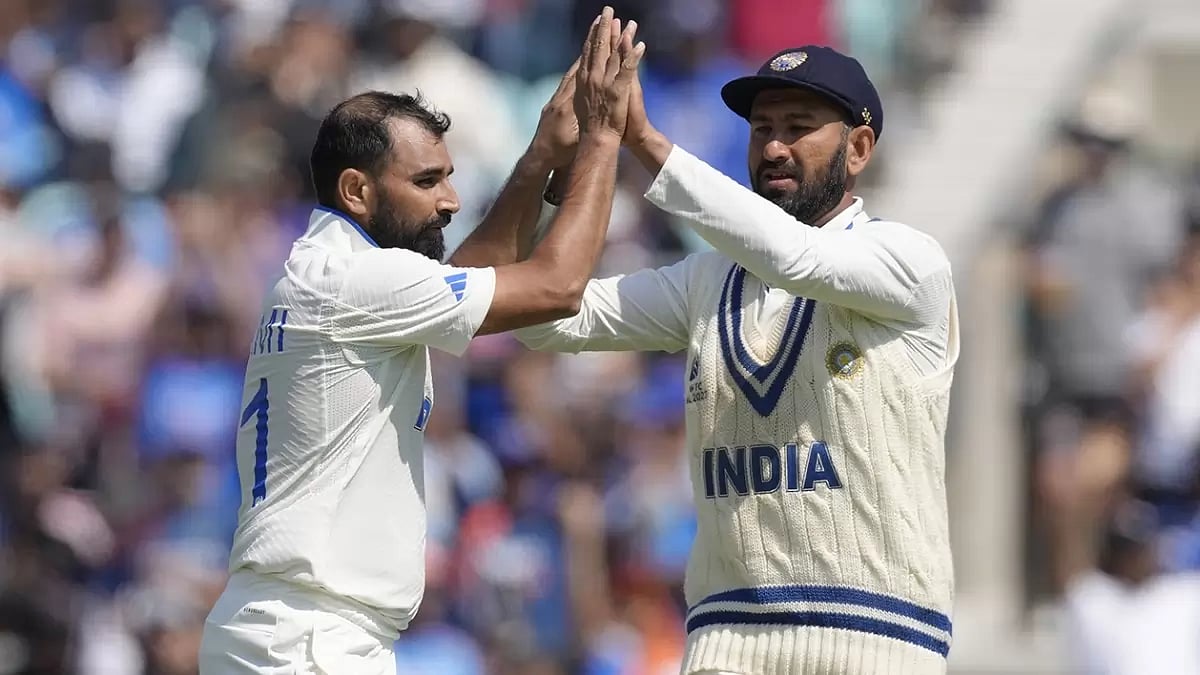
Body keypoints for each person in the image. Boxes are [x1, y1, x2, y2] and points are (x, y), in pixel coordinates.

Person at [197, 8, 646, 673]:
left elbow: (464, 283)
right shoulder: (354, 278)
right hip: (311, 638)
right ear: (357, 189)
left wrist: (542, 156)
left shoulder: (335, 269)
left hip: (294, 630)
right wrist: (605, 139)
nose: (452, 201)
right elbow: (557, 285)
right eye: (428, 181)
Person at [517, 46, 958, 674]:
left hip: (876, 641)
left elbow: (797, 259)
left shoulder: (909, 262)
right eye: (761, 129)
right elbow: (547, 320)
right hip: (726, 643)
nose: (774, 148)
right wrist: (553, 165)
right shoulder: (706, 281)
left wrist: (642, 140)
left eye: (799, 128)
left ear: (858, 149)